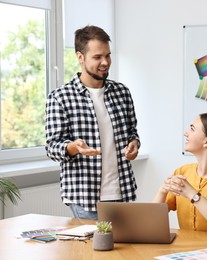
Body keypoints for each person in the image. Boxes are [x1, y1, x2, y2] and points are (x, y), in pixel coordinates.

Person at [45, 25, 140, 220]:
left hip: (122, 190)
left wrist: (134, 144)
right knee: (93, 250)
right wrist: (74, 147)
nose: (105, 62)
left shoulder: (122, 92)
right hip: (85, 197)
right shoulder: (60, 97)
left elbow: (132, 131)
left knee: (125, 250)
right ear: (80, 57)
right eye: (97, 57)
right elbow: (52, 147)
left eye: (108, 55)